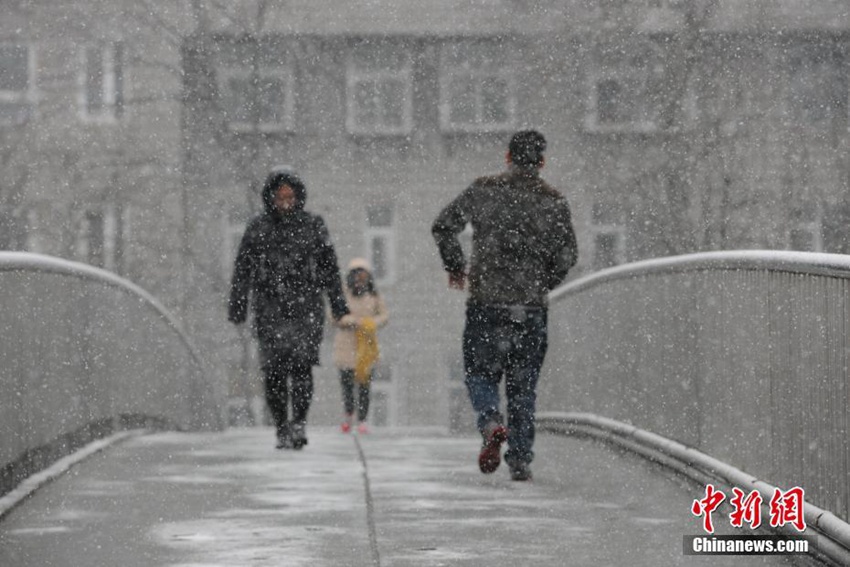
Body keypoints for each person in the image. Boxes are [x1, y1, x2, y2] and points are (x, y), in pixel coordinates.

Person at [431, 130, 578, 481]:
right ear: (542, 162)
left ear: (508, 157)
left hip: (487, 304)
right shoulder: (554, 201)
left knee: (480, 373)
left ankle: (490, 420)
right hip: (530, 308)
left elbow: (443, 225)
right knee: (523, 385)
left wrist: (455, 265)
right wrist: (543, 284)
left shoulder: (484, 190)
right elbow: (568, 255)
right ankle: (521, 460)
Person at [228, 167, 349, 450]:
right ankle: (281, 425)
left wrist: (338, 304)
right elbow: (242, 268)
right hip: (269, 307)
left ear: (298, 197)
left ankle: (299, 424)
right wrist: (238, 305)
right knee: (274, 372)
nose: (285, 203)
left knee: (303, 367)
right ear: (270, 197)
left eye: (290, 197)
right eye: (280, 197)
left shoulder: (313, 225)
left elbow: (330, 267)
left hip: (306, 306)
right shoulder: (258, 228)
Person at [332, 258, 389, 434]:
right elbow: (335, 316)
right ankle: (349, 415)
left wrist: (371, 323)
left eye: (363, 275)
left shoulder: (374, 296)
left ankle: (362, 419)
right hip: (346, 344)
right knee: (347, 383)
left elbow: (384, 316)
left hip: (366, 346)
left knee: (365, 384)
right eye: (356, 275)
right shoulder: (342, 295)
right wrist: (351, 321)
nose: (359, 279)